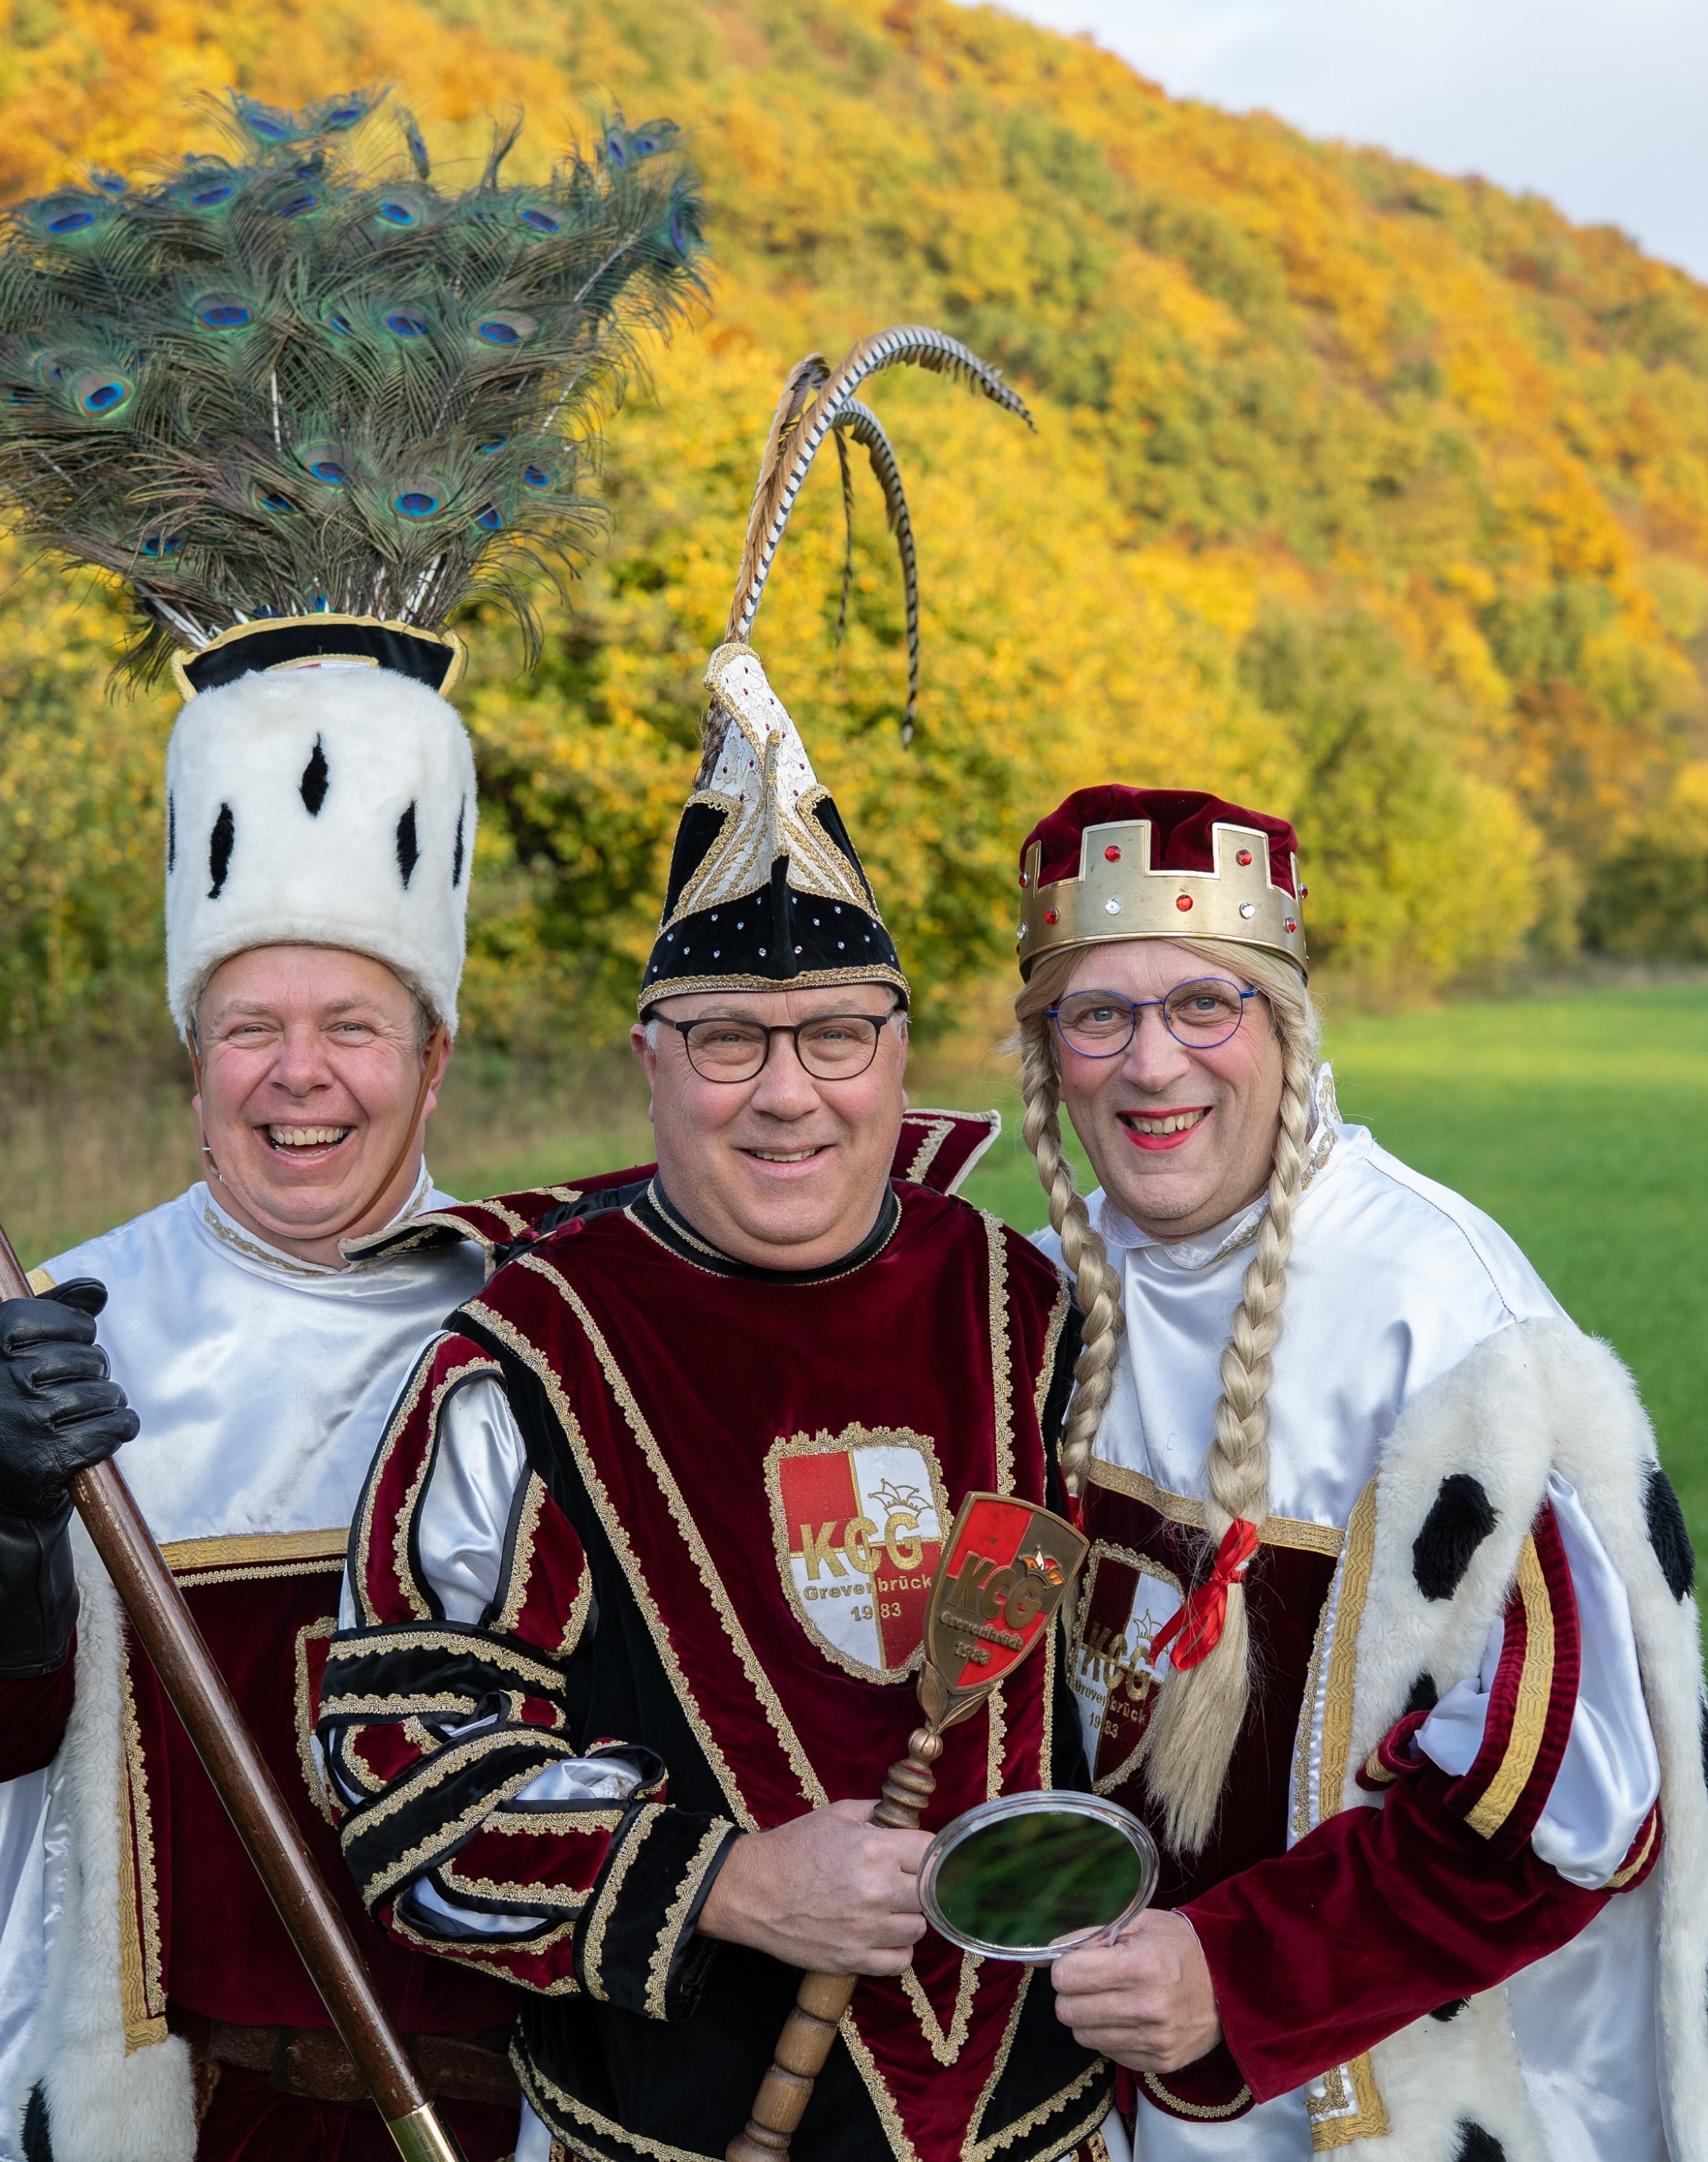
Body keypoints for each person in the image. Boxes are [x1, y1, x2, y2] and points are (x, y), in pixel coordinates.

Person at [0, 89, 717, 2162]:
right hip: (164, 2115)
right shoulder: (47, 1330)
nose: (299, 1074)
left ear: (433, 1061)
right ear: (187, 1058)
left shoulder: (561, 1329)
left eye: (351, 1027)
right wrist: (1, 1513)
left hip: (515, 2113)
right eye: (249, 1028)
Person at [319, 636, 1114, 2162]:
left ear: (897, 1054)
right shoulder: (528, 1355)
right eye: (729, 1039)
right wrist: (730, 1883)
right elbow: (401, 1774)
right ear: (650, 1062)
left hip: (1043, 2129)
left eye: (837, 1035)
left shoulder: (1023, 1303)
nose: (787, 1091)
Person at [1008, 787, 1708, 2162]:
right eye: (1099, 1014)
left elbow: (1569, 1805)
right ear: (1048, 1051)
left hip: (1380, 2095)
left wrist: (1234, 1974)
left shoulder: (1442, 1317)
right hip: (1115, 2073)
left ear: (1287, 1024)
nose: (1152, 1064)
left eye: (1205, 1004)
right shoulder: (1055, 1293)